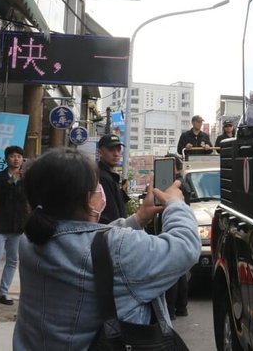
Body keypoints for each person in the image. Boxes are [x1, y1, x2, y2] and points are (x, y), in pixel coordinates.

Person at [13, 147, 199, 350]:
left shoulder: (30, 241)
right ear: (88, 199)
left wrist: (138, 218)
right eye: (97, 186)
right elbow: (185, 246)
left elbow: (88, 242)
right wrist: (175, 205)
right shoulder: (118, 248)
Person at [0, 145, 28, 306]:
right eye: (12, 156)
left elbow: (26, 201)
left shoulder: (25, 179)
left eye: (19, 156)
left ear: (22, 159)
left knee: (13, 260)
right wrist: (10, 182)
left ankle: (3, 293)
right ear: (6, 159)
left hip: (17, 226)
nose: (16, 159)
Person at [164, 153, 190, 319]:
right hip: (179, 227)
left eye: (169, 164)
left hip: (176, 227)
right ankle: (180, 308)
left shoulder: (180, 182)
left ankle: (172, 308)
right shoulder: (172, 182)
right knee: (179, 271)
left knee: (173, 271)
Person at [96, 134, 129, 224]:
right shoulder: (102, 177)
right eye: (111, 150)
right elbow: (111, 215)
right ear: (100, 152)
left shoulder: (110, 176)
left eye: (118, 150)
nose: (116, 154)